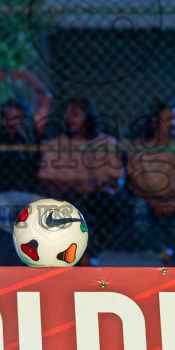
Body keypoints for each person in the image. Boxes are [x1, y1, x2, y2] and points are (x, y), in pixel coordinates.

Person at [38, 98, 125, 245]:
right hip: (66, 195)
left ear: (88, 116)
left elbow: (117, 180)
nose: (69, 118)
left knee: (112, 206)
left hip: (98, 195)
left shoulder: (107, 143)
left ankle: (92, 250)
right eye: (67, 114)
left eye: (75, 113)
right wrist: (72, 185)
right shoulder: (55, 144)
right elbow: (46, 180)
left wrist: (95, 186)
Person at [0, 70, 52, 218]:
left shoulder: (31, 133)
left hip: (30, 194)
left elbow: (46, 100)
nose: (10, 121)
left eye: (15, 117)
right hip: (1, 195)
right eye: (6, 117)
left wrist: (29, 77)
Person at [126, 104, 175, 223]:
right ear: (155, 122)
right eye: (168, 120)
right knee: (138, 210)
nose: (173, 124)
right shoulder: (138, 147)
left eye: (174, 119)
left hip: (171, 197)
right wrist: (154, 202)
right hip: (146, 198)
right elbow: (134, 181)